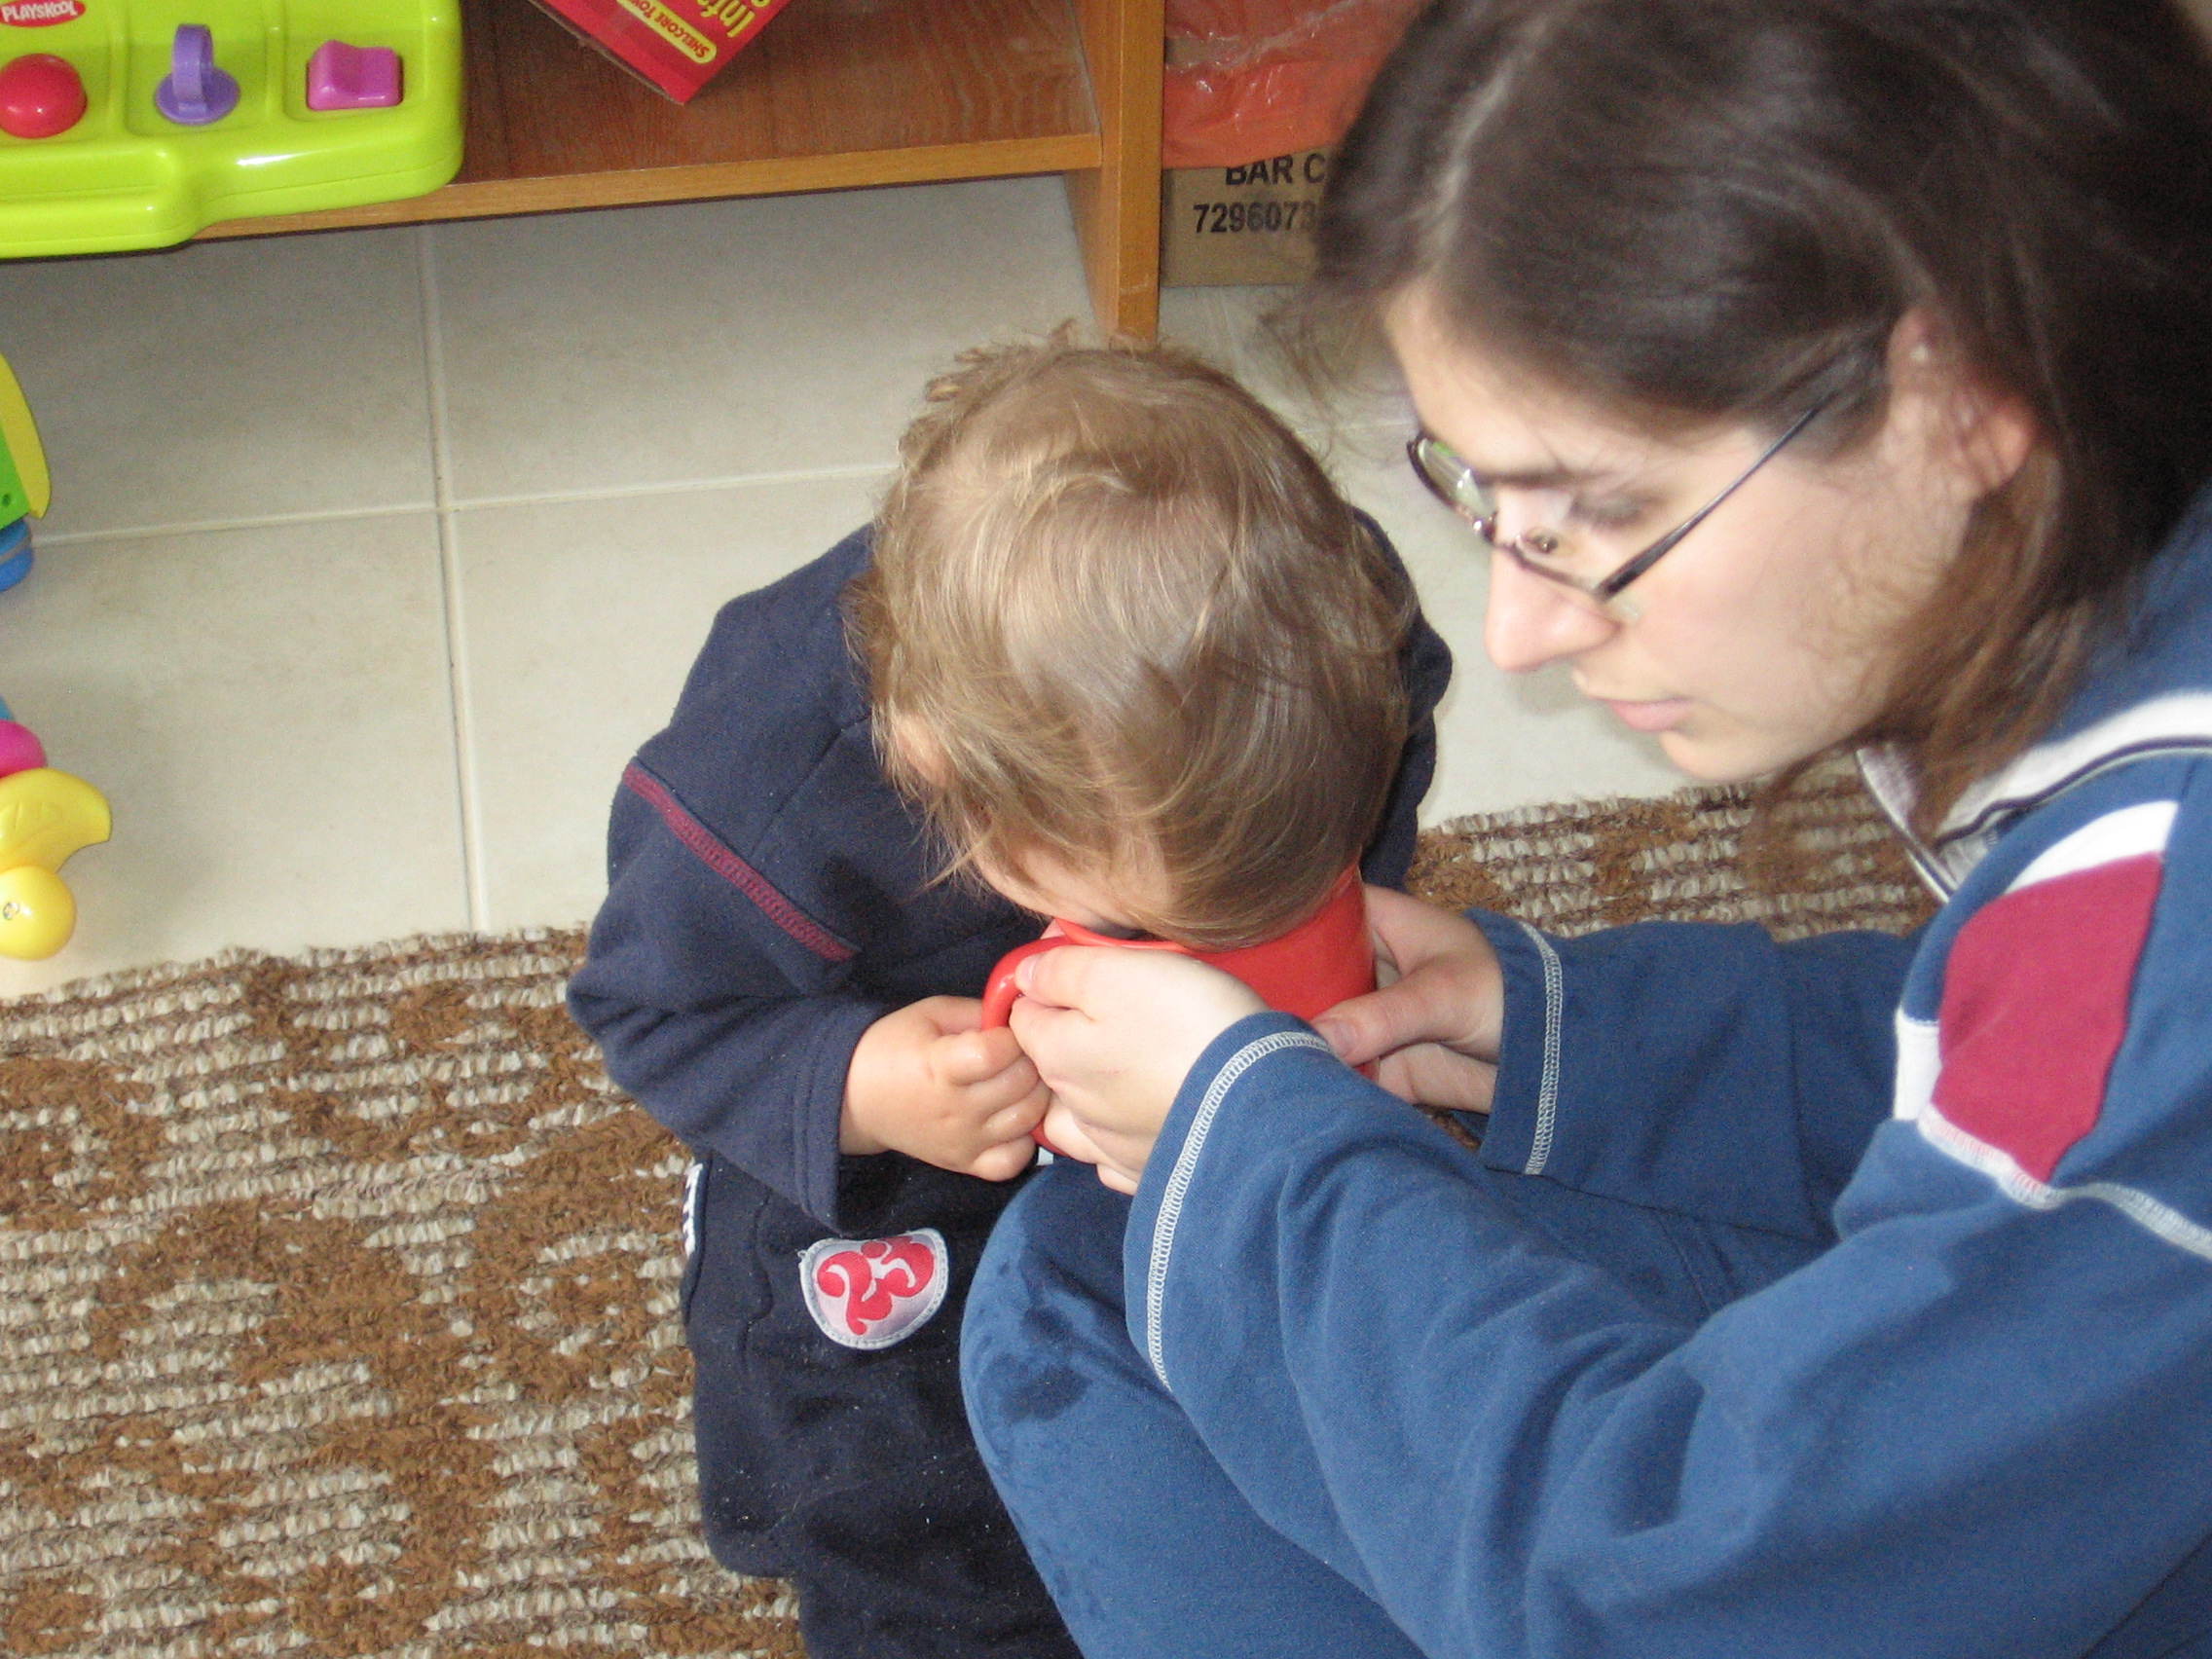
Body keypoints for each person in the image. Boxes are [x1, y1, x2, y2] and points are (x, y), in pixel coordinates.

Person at [959, 2, 2212, 1655]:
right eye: (1483, 499)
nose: (1519, 632)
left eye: (1596, 513)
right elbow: (1997, 1058)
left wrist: (1252, 1153)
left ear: (1961, 396)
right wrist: (1571, 1032)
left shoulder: (2163, 956)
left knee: (1126, 1269)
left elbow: (1672, 1602)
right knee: (1136, 1246)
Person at [566, 338, 1452, 1659]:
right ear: (949, 786)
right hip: (907, 1140)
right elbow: (651, 1009)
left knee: (1323, 1365)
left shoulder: (1339, 630)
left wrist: (1332, 946)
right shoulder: (765, 793)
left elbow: (1372, 788)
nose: (1196, 941)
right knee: (903, 1481)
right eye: (1151, 911)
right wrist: (862, 1087)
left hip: (1143, 1107)